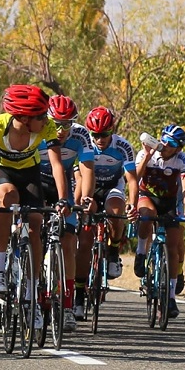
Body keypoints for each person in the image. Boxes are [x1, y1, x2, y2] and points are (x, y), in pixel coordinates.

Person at [0, 84, 70, 332]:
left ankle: (31, 295)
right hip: (0, 171)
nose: (46, 121)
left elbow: (57, 165)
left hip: (29, 172)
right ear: (25, 119)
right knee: (8, 197)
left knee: (36, 221)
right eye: (40, 116)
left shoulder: (46, 127)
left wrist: (63, 199)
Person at [74, 106, 138, 319]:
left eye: (105, 134)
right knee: (84, 241)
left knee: (116, 212)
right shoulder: (84, 145)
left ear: (112, 130)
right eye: (95, 135)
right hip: (89, 188)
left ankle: (112, 252)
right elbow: (80, 178)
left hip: (112, 187)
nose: (100, 139)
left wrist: (133, 203)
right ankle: (79, 296)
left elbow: (131, 179)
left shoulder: (123, 146)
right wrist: (82, 204)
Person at [38, 95, 94, 332]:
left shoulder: (81, 136)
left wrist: (87, 198)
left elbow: (87, 169)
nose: (61, 130)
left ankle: (68, 305)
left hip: (63, 189)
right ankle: (33, 293)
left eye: (67, 124)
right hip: (36, 183)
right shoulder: (38, 132)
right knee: (34, 235)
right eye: (57, 124)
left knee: (69, 242)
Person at [133, 124, 185, 319]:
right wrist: (146, 155)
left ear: (178, 148)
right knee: (147, 215)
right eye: (163, 140)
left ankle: (170, 297)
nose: (165, 146)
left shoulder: (182, 159)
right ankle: (141, 251)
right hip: (147, 196)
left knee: (173, 245)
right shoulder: (147, 152)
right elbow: (135, 177)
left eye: (170, 144)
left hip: (170, 201)